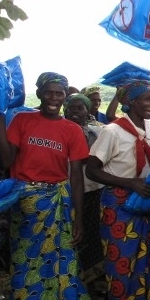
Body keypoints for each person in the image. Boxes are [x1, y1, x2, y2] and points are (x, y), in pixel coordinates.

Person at [0, 72, 96, 300]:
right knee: (26, 271)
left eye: (59, 93)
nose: (54, 98)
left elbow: (76, 175)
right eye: (49, 92)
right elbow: (6, 160)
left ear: (65, 96)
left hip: (59, 204)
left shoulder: (71, 130)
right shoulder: (22, 121)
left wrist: (78, 217)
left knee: (56, 271)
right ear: (39, 94)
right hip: (26, 205)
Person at [86, 80, 150, 300]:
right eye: (146, 99)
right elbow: (92, 169)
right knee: (121, 269)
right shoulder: (112, 131)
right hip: (118, 204)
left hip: (145, 201)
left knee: (147, 268)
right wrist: (129, 182)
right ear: (129, 102)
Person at [64, 94, 105, 277]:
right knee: (70, 232)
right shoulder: (60, 130)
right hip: (66, 190)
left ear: (87, 111)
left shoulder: (97, 132)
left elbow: (97, 158)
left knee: (91, 232)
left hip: (92, 190)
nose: (75, 111)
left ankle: (92, 274)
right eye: (71, 107)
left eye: (79, 108)